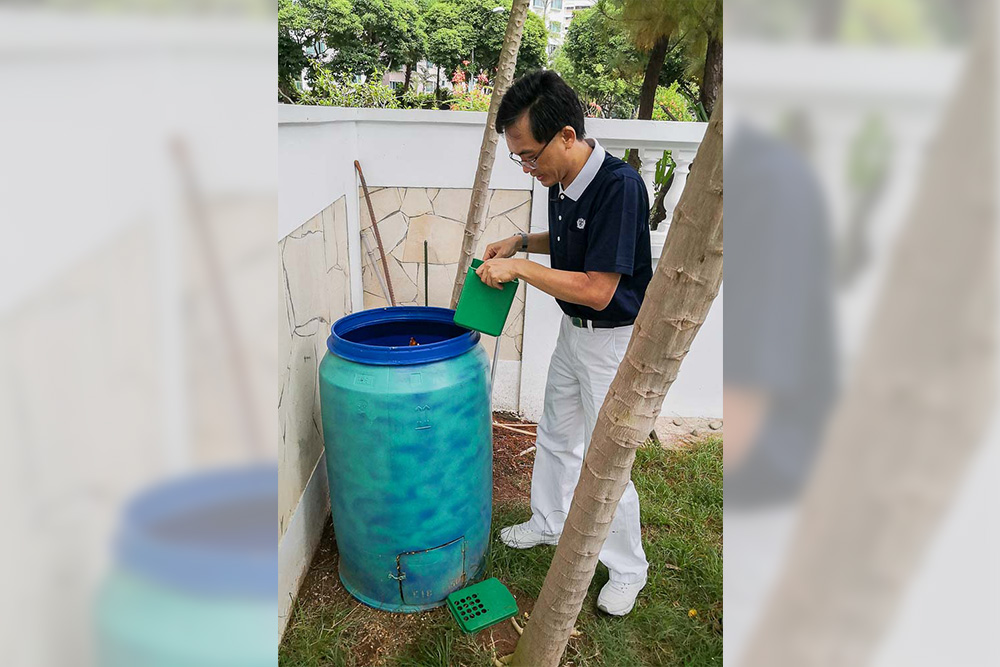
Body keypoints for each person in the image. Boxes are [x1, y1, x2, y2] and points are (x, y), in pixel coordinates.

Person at [476, 70, 651, 616]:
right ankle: (548, 522)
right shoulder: (561, 180)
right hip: (572, 337)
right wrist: (523, 239)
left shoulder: (619, 187)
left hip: (611, 341)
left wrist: (521, 266)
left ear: (567, 136)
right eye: (519, 158)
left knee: (607, 460)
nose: (528, 167)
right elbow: (575, 238)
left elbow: (599, 290)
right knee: (555, 432)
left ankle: (627, 570)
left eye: (530, 155)